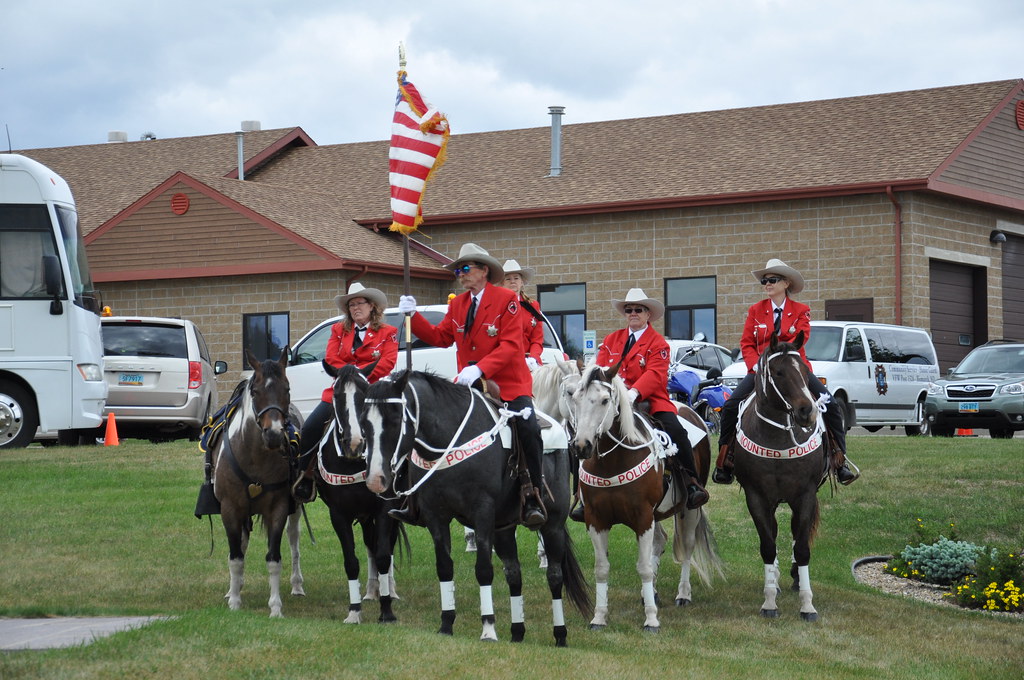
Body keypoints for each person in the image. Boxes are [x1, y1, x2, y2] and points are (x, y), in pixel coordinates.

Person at [392, 243, 547, 529]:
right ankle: (413, 499)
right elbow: (441, 337)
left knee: (529, 428)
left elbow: (512, 345)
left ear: (484, 270)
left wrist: (479, 368)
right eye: (457, 270)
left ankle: (532, 493)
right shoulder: (458, 304)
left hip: (509, 385)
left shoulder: (506, 300)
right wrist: (414, 316)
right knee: (425, 425)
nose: (460, 274)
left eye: (465, 268)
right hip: (467, 387)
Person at [713, 259, 858, 485]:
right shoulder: (755, 310)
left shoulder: (801, 311)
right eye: (765, 280)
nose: (767, 284)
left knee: (830, 405)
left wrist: (778, 355)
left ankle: (840, 461)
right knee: (731, 406)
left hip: (793, 368)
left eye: (772, 280)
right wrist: (757, 367)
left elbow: (800, 339)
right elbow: (747, 343)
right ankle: (725, 461)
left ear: (786, 283)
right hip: (761, 370)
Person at [585, 288, 710, 513]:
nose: (633, 313)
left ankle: (691, 483)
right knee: (584, 432)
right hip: (612, 401)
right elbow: (599, 369)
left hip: (649, 401)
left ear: (648, 314)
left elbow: (655, 374)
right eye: (629, 310)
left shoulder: (658, 343)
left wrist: (633, 393)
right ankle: (581, 495)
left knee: (676, 430)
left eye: (638, 310)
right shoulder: (611, 339)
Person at [292, 282, 399, 501]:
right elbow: (331, 357)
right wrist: (350, 375)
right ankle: (305, 475)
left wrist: (359, 377)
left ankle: (402, 476)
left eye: (360, 303)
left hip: (373, 392)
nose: (355, 308)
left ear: (372, 307)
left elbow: (388, 362)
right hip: (340, 391)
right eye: (351, 305)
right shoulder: (338, 330)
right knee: (311, 427)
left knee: (398, 430)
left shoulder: (388, 332)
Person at [501, 259, 545, 372]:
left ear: (521, 282)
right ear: (502, 283)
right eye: (508, 279)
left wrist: (533, 358)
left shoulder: (533, 306)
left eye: (516, 278)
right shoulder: (497, 306)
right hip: (504, 363)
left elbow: (537, 339)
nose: (512, 282)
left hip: (529, 363)